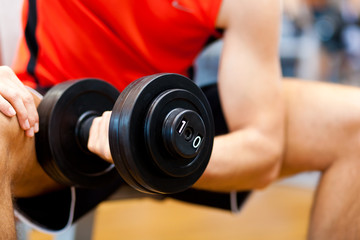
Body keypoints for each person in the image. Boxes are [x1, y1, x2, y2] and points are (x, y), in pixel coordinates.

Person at [0, 1, 358, 239]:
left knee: (353, 121)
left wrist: (143, 144)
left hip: (163, 125)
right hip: (50, 112)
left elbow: (262, 150)